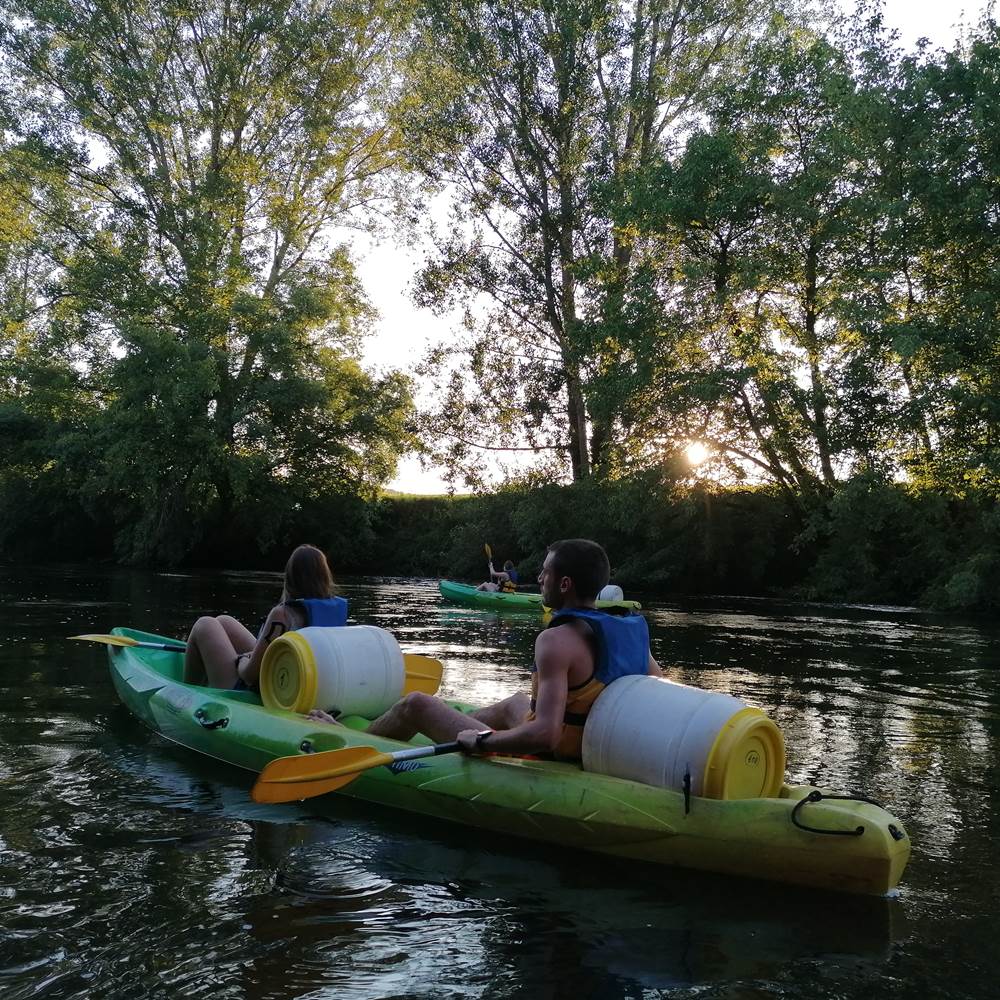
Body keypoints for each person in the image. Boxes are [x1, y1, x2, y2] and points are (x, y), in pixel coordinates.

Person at [312, 538, 660, 760]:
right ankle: (440, 725)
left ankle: (349, 736)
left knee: (416, 703)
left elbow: (546, 735)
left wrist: (481, 742)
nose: (539, 579)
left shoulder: (555, 641)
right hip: (592, 744)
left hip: (558, 753)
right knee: (515, 703)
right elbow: (648, 691)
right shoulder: (629, 631)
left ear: (564, 583)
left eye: (545, 572)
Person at [183, 544, 347, 690]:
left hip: (259, 692)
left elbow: (248, 676)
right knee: (224, 622)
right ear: (325, 577)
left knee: (205, 624)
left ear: (290, 577)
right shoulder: (335, 614)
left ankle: (185, 692)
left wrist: (241, 661)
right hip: (298, 686)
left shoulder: (283, 615)